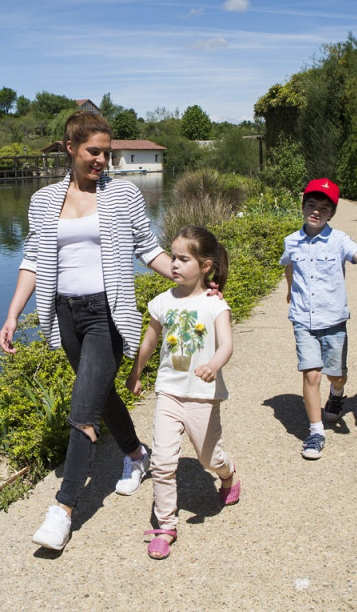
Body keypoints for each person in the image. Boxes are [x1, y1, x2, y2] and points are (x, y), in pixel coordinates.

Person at [0, 111, 176, 551]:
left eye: (107, 152)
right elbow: (33, 260)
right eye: (93, 151)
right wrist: (13, 314)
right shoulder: (42, 201)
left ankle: (62, 510)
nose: (102, 160)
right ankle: (136, 454)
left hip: (107, 315)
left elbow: (147, 247)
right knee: (99, 394)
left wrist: (184, 273)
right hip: (65, 315)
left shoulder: (124, 195)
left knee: (82, 410)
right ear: (70, 149)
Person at [126, 225, 238, 560]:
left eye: (183, 259)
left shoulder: (215, 304)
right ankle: (165, 525)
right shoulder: (162, 302)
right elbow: (150, 340)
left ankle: (228, 474)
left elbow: (227, 343)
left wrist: (214, 365)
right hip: (170, 393)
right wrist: (136, 370)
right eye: (172, 257)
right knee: (162, 462)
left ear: (205, 266)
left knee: (209, 457)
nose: (174, 264)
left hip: (203, 395)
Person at [280, 178, 357, 460]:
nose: (316, 211)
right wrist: (290, 289)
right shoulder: (291, 241)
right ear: (303, 206)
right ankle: (315, 432)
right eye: (312, 205)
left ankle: (337, 393)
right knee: (311, 372)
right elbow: (289, 265)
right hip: (303, 317)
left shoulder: (339, 240)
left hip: (333, 320)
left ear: (332, 213)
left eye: (324, 208)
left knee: (335, 373)